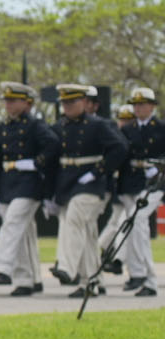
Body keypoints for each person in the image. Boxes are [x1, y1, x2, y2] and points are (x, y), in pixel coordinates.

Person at [51, 83, 127, 297]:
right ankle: (91, 282)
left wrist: (99, 170)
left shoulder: (99, 125)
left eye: (72, 102)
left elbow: (119, 147)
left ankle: (66, 267)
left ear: (84, 102)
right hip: (68, 182)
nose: (67, 106)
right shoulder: (60, 127)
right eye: (64, 102)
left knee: (74, 219)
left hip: (91, 183)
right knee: (87, 233)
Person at [0, 82, 55, 295]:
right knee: (22, 233)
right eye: (7, 100)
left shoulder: (36, 125)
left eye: (13, 100)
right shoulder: (3, 128)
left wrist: (37, 162)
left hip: (29, 184)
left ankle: (2, 267)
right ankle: (28, 280)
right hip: (8, 183)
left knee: (13, 223)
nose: (9, 104)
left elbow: (53, 145)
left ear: (28, 103)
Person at [111, 89, 159, 296]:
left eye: (143, 104)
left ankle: (148, 277)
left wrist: (159, 167)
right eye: (136, 105)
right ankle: (137, 274)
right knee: (132, 226)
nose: (138, 108)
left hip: (155, 183)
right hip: (131, 182)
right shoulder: (127, 130)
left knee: (138, 221)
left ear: (152, 106)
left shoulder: (162, 128)